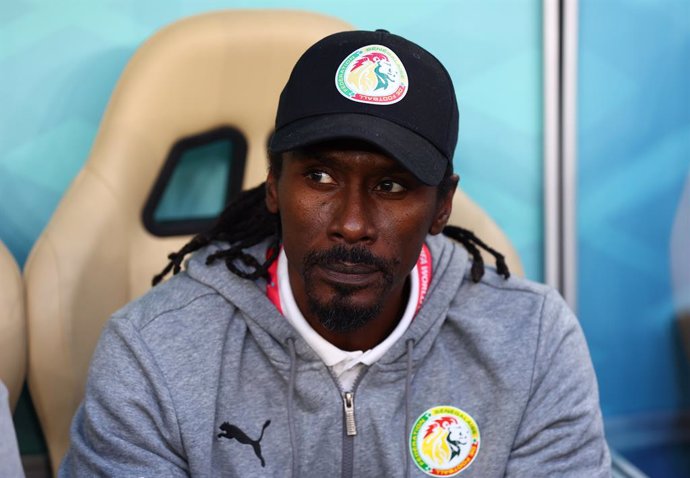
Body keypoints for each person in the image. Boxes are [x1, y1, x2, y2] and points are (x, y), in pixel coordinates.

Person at [61, 29, 611, 477]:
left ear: (442, 205)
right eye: (320, 177)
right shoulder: (152, 353)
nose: (351, 224)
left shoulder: (532, 342)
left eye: (392, 186)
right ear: (274, 183)